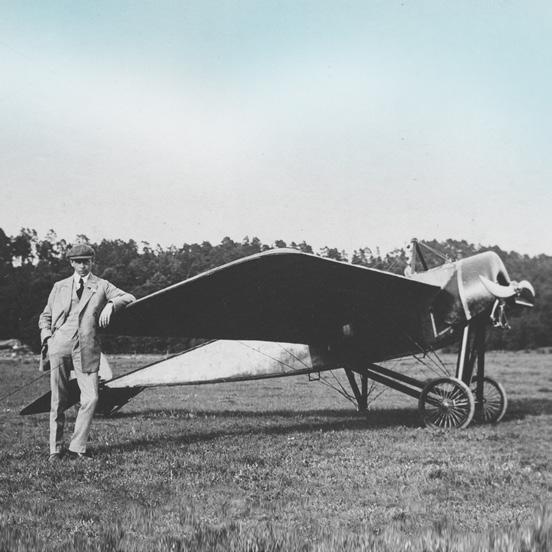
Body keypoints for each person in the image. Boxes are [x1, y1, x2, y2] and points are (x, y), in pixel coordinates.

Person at [39, 244, 136, 461]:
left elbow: (129, 297)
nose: (83, 266)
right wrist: (47, 338)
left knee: (91, 398)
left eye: (87, 261)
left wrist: (111, 304)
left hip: (87, 349)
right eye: (78, 261)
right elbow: (45, 316)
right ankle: (55, 450)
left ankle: (76, 448)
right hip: (59, 347)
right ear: (71, 263)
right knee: (58, 400)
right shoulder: (60, 286)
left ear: (93, 262)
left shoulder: (102, 285)